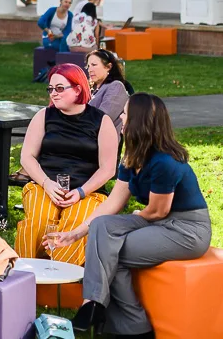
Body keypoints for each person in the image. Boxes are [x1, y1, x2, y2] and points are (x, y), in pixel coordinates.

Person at [50, 94, 211, 338]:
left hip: (186, 229)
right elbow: (113, 203)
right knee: (102, 228)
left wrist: (135, 216)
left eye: (125, 113)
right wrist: (75, 233)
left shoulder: (164, 162)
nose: (121, 117)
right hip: (157, 221)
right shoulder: (132, 156)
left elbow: (158, 210)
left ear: (140, 121)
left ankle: (125, 322)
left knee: (111, 252)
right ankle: (96, 306)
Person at [14, 63, 118, 265]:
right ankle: (26, 275)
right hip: (44, 186)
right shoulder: (44, 116)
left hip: (88, 190)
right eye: (51, 89)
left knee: (74, 225)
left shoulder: (101, 121)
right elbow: (27, 157)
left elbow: (108, 168)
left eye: (60, 88)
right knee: (39, 221)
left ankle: (62, 280)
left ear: (78, 88)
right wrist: (46, 183)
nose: (54, 93)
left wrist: (81, 192)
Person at [87, 49, 131, 137]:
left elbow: (103, 117)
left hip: (104, 142)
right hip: (89, 137)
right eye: (88, 66)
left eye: (94, 65)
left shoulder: (115, 86)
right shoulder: (94, 89)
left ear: (108, 67)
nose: (90, 70)